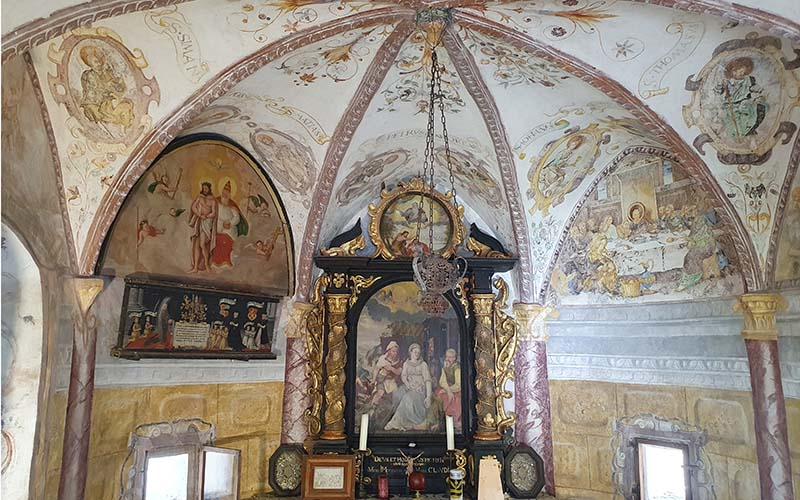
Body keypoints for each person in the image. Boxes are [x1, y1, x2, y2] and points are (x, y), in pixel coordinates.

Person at [78, 44, 134, 133]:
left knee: (127, 104)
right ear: (90, 64)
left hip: (111, 99)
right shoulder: (90, 75)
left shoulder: (106, 72)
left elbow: (119, 88)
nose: (99, 64)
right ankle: (122, 127)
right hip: (99, 102)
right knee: (116, 107)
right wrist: (109, 90)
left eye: (99, 61)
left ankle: (126, 128)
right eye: (96, 62)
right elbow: (94, 91)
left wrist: (118, 83)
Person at [385, 344, 432, 431]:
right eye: (415, 352)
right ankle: (396, 417)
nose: (417, 354)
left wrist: (428, 396)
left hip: (419, 388)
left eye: (418, 352)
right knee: (397, 394)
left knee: (407, 398)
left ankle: (397, 422)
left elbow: (428, 381)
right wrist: (408, 384)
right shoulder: (406, 363)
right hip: (408, 385)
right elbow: (404, 376)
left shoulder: (423, 364)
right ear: (410, 352)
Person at [212, 180, 248, 268]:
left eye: (227, 194)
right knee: (215, 241)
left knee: (225, 241)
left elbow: (237, 218)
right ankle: (214, 261)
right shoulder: (216, 202)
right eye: (224, 193)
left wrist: (229, 223)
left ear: (229, 195)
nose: (224, 195)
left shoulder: (232, 205)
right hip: (217, 227)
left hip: (229, 229)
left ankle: (226, 261)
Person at [188, 182, 218, 273]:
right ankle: (196, 267)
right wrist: (199, 214)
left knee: (202, 244)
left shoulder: (212, 200)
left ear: (209, 189)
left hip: (207, 222)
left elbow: (214, 213)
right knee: (196, 245)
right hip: (199, 220)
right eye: (203, 188)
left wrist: (207, 216)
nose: (205, 190)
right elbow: (193, 207)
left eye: (206, 188)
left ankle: (206, 264)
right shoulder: (199, 197)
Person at [435, 348, 462, 426]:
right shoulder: (446, 366)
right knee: (438, 394)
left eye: (450, 357)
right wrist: (447, 390)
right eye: (447, 357)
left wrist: (448, 390)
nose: (447, 359)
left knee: (449, 397)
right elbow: (442, 382)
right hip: (449, 388)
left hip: (457, 389)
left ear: (454, 358)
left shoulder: (457, 368)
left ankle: (452, 421)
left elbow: (458, 385)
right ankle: (440, 419)